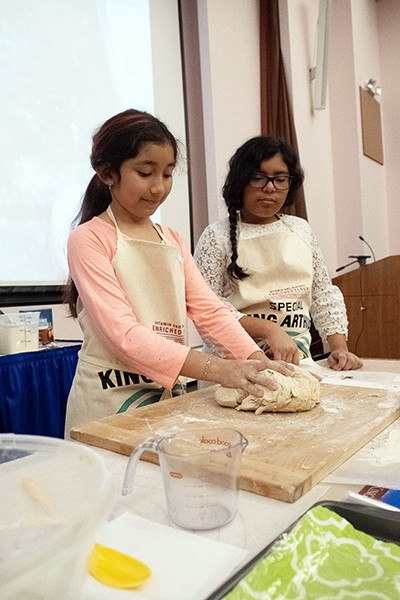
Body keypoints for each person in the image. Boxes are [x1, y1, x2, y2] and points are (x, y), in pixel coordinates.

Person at [64, 111, 293, 435]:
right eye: (145, 173)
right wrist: (220, 370)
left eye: (168, 174)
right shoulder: (90, 238)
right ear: (107, 173)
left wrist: (256, 361)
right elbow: (123, 336)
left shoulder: (170, 239)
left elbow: (209, 310)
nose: (158, 187)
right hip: (108, 402)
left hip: (166, 396)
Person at [194, 136, 362, 371]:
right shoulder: (215, 237)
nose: (270, 187)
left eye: (280, 179)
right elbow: (208, 309)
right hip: (234, 367)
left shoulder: (300, 229)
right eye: (258, 178)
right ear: (240, 182)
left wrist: (339, 349)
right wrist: (269, 330)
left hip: (298, 363)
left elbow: (323, 293)